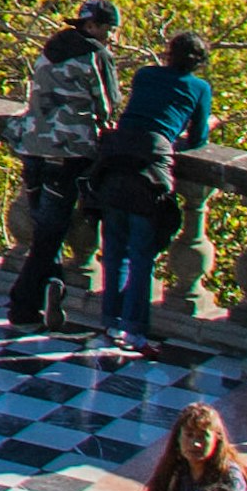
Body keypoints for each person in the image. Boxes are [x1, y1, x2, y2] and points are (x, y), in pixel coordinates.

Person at [90, 31, 213, 360]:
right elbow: (198, 138)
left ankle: (111, 323)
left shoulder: (145, 74)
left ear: (168, 53)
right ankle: (136, 332)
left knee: (114, 247)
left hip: (115, 160)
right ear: (198, 63)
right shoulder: (200, 88)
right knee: (142, 253)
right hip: (150, 170)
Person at [6, 0, 124, 334]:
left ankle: (50, 290)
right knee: (50, 233)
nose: (111, 37)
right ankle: (21, 303)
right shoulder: (95, 55)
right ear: (93, 27)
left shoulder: (50, 48)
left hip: (32, 145)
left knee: (45, 228)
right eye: (109, 30)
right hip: (68, 151)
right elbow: (107, 105)